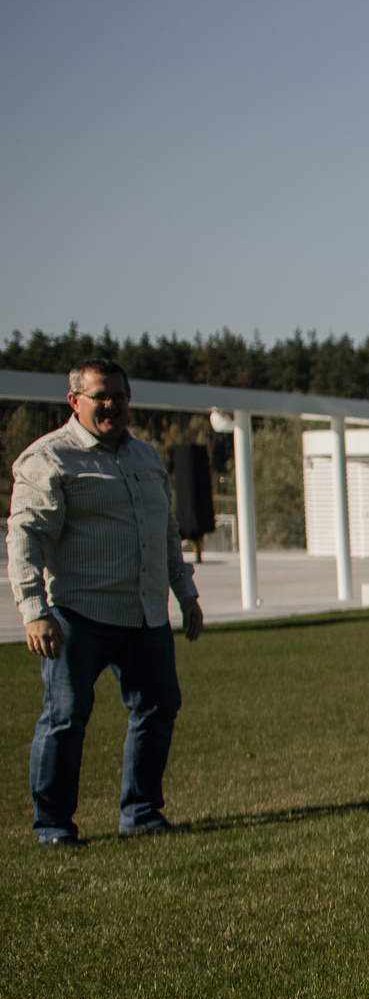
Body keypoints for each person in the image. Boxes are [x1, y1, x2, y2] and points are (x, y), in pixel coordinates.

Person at [9, 359, 203, 846]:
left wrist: (186, 593)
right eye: (101, 396)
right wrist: (34, 608)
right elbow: (26, 537)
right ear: (75, 401)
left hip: (145, 614)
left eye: (120, 396)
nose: (112, 405)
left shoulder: (146, 457)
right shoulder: (50, 458)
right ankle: (53, 827)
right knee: (65, 719)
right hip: (79, 616)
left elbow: (166, 531)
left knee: (159, 707)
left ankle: (141, 814)